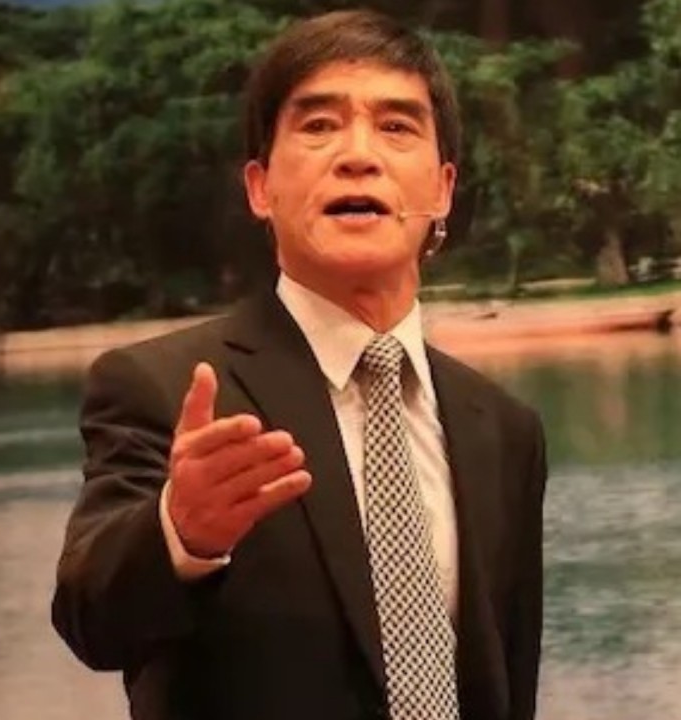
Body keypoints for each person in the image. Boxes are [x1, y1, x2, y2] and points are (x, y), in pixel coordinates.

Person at [52, 10, 547, 720]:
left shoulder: (505, 428)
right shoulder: (163, 388)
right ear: (261, 187)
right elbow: (88, 619)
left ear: (442, 189)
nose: (358, 155)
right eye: (319, 126)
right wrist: (180, 533)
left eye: (396, 126)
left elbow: (511, 680)